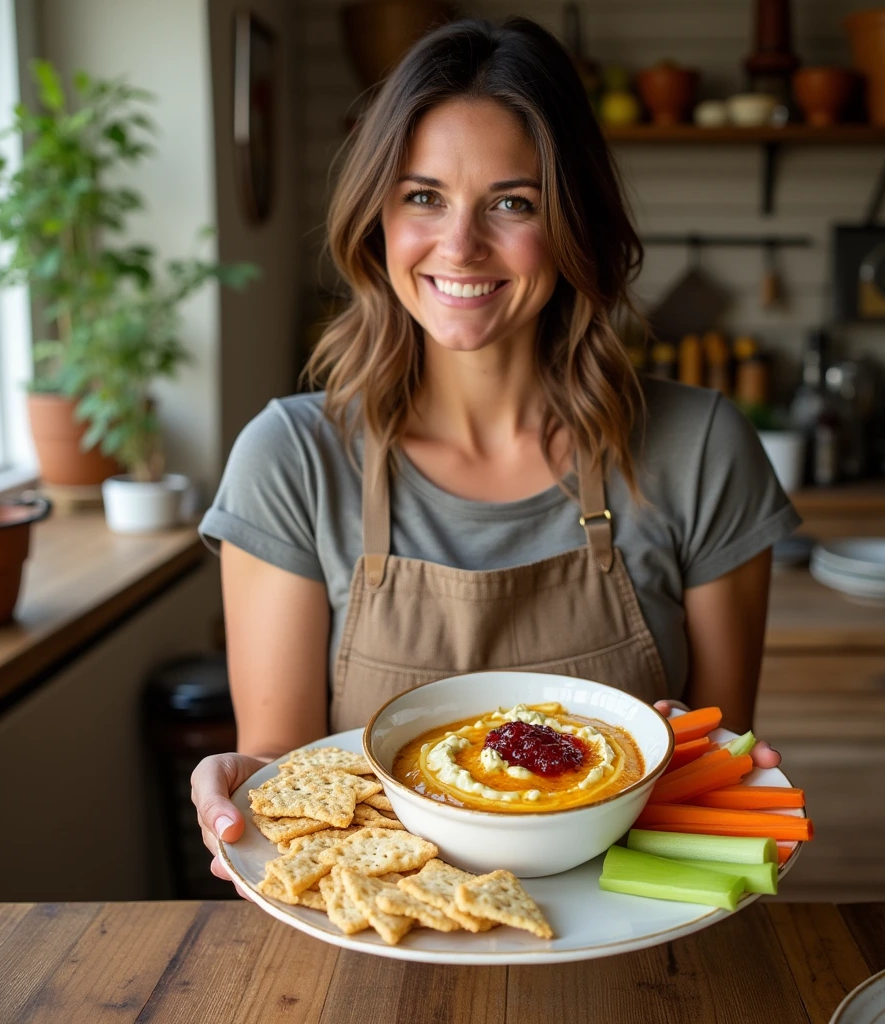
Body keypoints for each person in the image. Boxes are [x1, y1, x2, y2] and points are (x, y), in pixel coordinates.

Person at [191, 17, 801, 886]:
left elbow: (712, 779)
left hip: (635, 956)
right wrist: (247, 787)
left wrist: (692, 752)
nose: (462, 245)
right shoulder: (291, 459)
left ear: (573, 223)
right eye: (423, 196)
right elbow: (288, 774)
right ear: (377, 220)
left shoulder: (701, 449)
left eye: (513, 202)